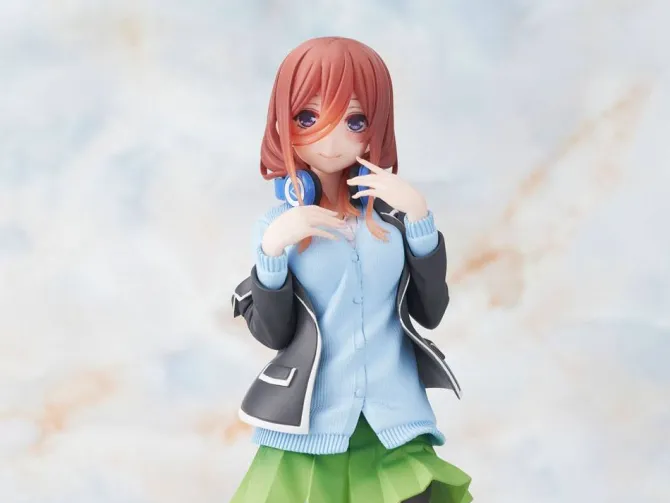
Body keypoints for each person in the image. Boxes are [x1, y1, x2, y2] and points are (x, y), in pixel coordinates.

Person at [230, 36, 472, 503]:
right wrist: (273, 251)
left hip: (394, 419)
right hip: (311, 424)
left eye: (354, 121)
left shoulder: (395, 224)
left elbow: (431, 311)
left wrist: (419, 220)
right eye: (307, 118)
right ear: (282, 122)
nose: (331, 140)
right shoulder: (277, 228)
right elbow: (275, 333)